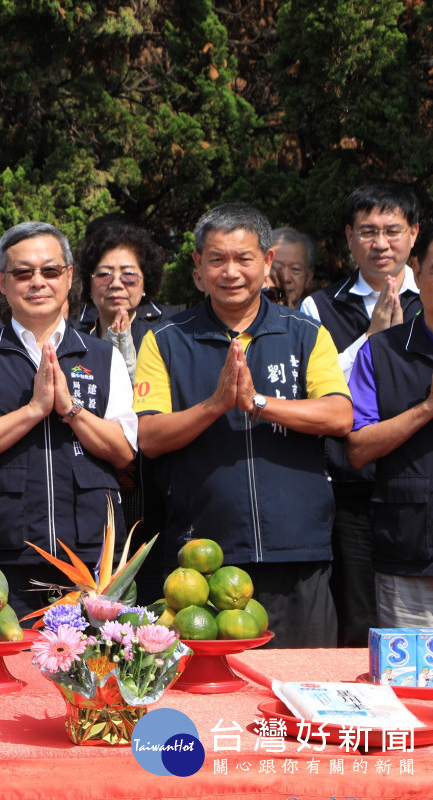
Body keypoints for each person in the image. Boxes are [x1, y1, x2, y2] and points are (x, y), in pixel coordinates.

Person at [134, 203, 352, 648]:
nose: (230, 271)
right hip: (204, 560)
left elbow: (339, 415)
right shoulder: (166, 340)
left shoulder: (306, 333)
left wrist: (257, 403)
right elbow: (150, 438)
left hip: (298, 549)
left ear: (267, 262)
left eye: (243, 259)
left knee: (299, 686)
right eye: (216, 259)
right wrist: (215, 405)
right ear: (197, 266)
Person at [0, 222, 136, 619]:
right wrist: (32, 410)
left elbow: (123, 450)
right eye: (23, 272)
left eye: (50, 271)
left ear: (68, 277)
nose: (37, 282)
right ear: (1, 282)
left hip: (89, 562)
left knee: (90, 675)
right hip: (2, 561)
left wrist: (70, 409)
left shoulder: (101, 357)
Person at [299, 182, 422, 647]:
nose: (381, 243)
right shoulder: (321, 306)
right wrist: (371, 340)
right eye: (367, 231)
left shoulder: (425, 299)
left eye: (392, 230)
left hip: (416, 482)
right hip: (353, 489)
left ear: (413, 233)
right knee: (359, 616)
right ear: (349, 237)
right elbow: (317, 390)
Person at [345, 245, 433, 627]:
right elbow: (358, 448)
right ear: (417, 270)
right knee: (409, 683)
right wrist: (426, 409)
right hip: (409, 551)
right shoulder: (381, 352)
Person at [72, 221, 181, 383]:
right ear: (89, 284)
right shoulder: (73, 339)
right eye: (104, 275)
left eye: (128, 274)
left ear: (146, 282)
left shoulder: (163, 339)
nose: (116, 283)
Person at [270, 227, 315, 310]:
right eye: (277, 268)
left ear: (308, 277)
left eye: (295, 269)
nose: (286, 278)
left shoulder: (315, 320)